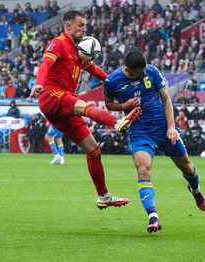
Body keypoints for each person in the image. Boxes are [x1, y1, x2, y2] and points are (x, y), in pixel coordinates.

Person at [30, 10, 141, 209]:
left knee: (93, 149)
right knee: (83, 106)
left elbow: (93, 69)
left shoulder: (80, 49)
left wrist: (111, 81)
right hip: (51, 95)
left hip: (63, 103)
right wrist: (38, 84)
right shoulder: (58, 43)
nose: (84, 29)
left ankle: (103, 196)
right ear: (68, 26)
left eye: (85, 25)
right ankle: (116, 122)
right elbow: (45, 65)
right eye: (80, 25)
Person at [103, 50, 205, 233]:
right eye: (140, 71)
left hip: (162, 127)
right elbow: (108, 104)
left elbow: (166, 99)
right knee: (143, 169)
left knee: (187, 168)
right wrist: (123, 107)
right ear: (129, 69)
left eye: (145, 69)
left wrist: (171, 127)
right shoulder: (112, 81)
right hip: (140, 131)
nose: (144, 73)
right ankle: (153, 216)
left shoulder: (152, 71)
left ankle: (196, 190)